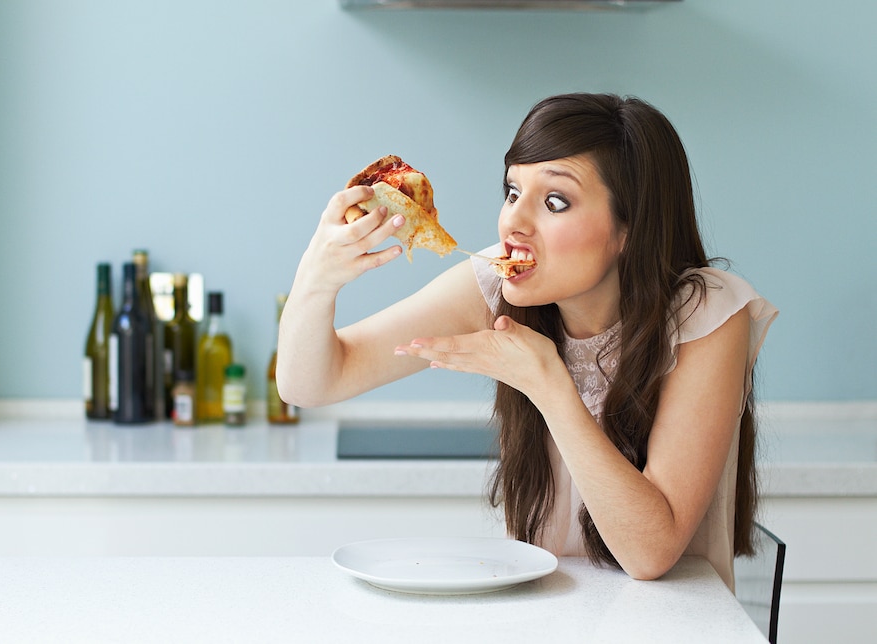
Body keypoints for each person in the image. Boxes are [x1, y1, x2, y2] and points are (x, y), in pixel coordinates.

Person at [276, 93, 778, 589]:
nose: (513, 222)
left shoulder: (705, 312)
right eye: (512, 192)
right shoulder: (497, 281)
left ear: (629, 228)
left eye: (554, 202)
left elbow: (651, 553)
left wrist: (549, 385)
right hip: (547, 613)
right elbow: (311, 384)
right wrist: (316, 281)